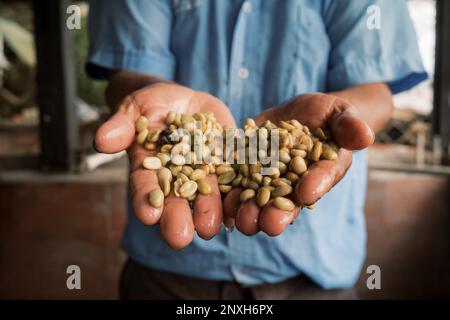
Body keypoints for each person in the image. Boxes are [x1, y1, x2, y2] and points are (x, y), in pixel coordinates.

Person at [87, 0, 426, 299]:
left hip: (311, 269)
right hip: (168, 270)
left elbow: (375, 90)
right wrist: (150, 92)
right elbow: (127, 71)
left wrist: (337, 120)